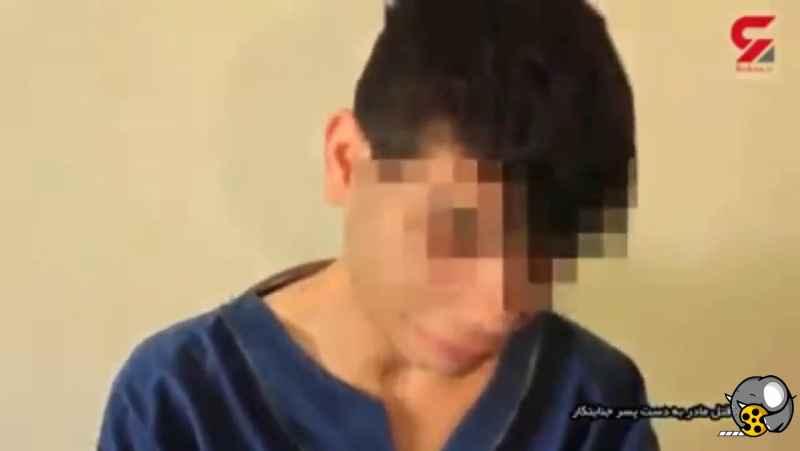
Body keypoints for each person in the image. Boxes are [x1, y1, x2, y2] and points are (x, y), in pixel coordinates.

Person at [98, 0, 659, 450]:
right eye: (460, 233)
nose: (501, 307)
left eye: (547, 249)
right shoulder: (180, 399)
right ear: (346, 161)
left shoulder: (592, 401)